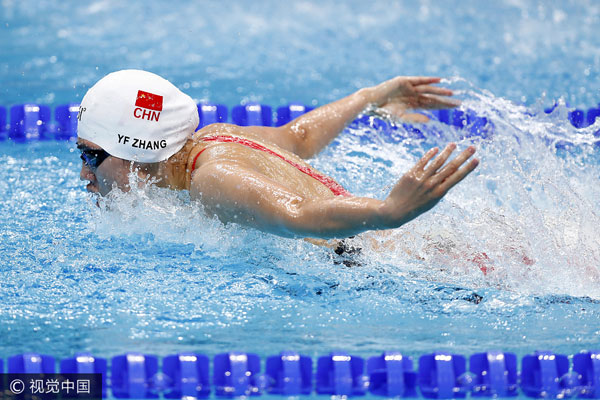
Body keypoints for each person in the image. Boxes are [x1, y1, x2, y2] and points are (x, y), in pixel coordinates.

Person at [77, 69, 478, 242]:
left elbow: (298, 215)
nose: (84, 174)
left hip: (389, 268)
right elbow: (298, 137)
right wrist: (367, 98)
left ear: (136, 152)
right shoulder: (218, 137)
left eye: (93, 157)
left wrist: (388, 212)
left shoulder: (211, 180)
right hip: (405, 248)